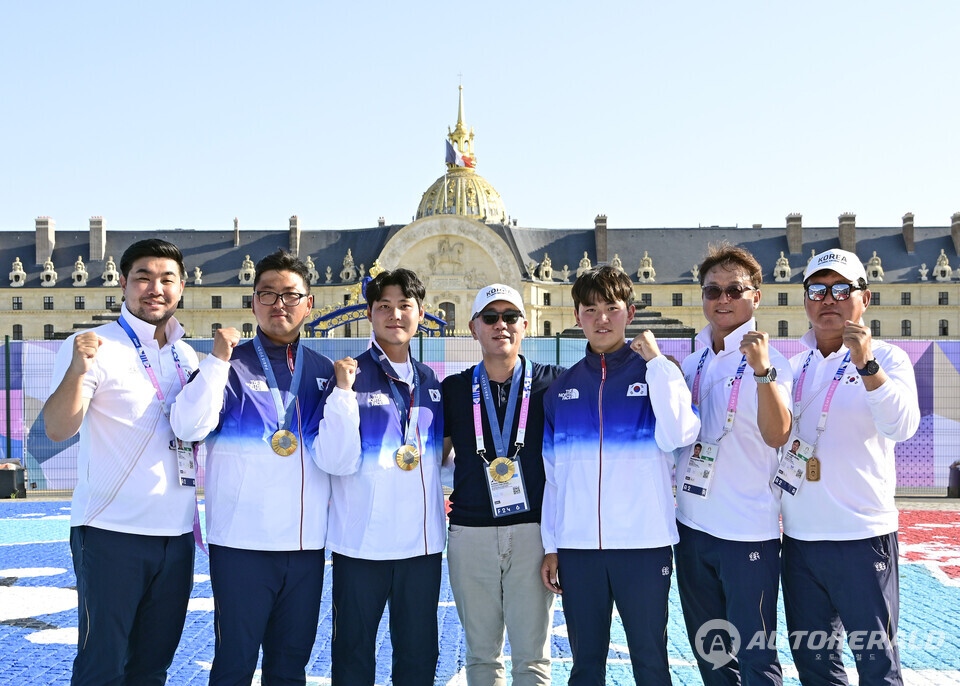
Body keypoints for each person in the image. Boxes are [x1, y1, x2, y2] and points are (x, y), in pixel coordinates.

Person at [169, 250, 333, 684]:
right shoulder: (229, 363)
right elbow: (188, 425)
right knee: (234, 665)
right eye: (267, 294)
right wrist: (218, 360)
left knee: (290, 666)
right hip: (241, 546)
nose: (279, 304)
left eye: (290, 295)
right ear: (253, 302)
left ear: (309, 303)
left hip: (305, 547)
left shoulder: (325, 371)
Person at [43, 239, 199, 685]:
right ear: (123, 284)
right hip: (110, 534)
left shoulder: (183, 354)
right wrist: (76, 369)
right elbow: (57, 429)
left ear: (182, 286)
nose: (155, 288)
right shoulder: (91, 345)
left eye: (166, 279)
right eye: (143, 278)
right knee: (102, 666)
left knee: (152, 666)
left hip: (175, 534)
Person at [539, 265, 700, 685]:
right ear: (577, 317)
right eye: (591, 310)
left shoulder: (658, 374)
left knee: (650, 661)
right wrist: (552, 545)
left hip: (644, 545)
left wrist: (659, 363)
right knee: (585, 665)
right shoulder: (561, 389)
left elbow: (681, 433)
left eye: (611, 308)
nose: (602, 319)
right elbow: (554, 478)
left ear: (630, 312)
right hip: (578, 549)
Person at [778, 249, 919, 684]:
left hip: (862, 537)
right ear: (805, 300)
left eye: (842, 289)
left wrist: (866, 365)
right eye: (817, 290)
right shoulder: (793, 366)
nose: (829, 299)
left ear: (865, 298)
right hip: (800, 541)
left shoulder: (889, 358)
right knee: (815, 665)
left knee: (877, 666)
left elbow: (902, 426)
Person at [314, 268, 445, 686]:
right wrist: (342, 394)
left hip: (420, 547)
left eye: (405, 306)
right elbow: (335, 461)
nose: (395, 315)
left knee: (419, 655)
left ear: (420, 314)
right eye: (384, 306)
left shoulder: (430, 381)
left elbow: (444, 459)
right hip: (361, 546)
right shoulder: (348, 376)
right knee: (353, 655)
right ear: (369, 313)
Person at [674, 244, 793, 686]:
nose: (723, 299)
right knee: (713, 656)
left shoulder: (777, 363)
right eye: (712, 290)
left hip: (747, 533)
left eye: (734, 290)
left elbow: (778, 434)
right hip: (691, 526)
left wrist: (761, 372)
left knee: (757, 661)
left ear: (756, 296)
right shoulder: (692, 360)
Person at [442, 284, 563, 686]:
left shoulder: (553, 385)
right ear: (474, 327)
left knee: (532, 658)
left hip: (532, 532)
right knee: (481, 656)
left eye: (510, 317)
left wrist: (556, 544)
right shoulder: (454, 390)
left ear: (525, 326)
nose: (501, 325)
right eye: (490, 318)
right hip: (470, 532)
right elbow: (431, 458)